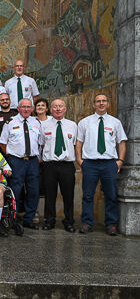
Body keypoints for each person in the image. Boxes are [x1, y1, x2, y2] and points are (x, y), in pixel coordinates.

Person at [76, 94, 127, 236]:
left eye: (104, 101)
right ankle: (87, 223)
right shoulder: (84, 122)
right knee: (87, 195)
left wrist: (120, 161)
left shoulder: (115, 123)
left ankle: (111, 224)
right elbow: (79, 143)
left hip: (109, 164)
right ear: (93, 105)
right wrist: (80, 161)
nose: (101, 103)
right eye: (98, 101)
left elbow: (121, 142)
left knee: (111, 195)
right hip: (90, 164)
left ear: (108, 104)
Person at [0, 98, 42, 230]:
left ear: (32, 109)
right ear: (18, 108)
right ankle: (13, 218)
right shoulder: (10, 122)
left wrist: (38, 157)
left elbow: (41, 142)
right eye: (23, 107)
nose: (26, 109)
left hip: (33, 161)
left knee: (33, 190)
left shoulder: (36, 122)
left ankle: (29, 219)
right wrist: (11, 156)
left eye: (29, 107)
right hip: (16, 161)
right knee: (15, 190)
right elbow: (2, 142)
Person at [40, 99, 77, 232]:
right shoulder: (44, 125)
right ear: (50, 109)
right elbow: (42, 144)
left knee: (68, 194)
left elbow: (74, 144)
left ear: (65, 108)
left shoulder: (73, 125)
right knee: (50, 194)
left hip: (67, 165)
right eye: (55, 106)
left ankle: (69, 222)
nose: (58, 109)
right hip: (50, 165)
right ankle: (49, 221)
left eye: (60, 106)